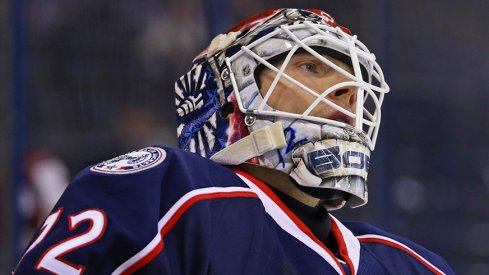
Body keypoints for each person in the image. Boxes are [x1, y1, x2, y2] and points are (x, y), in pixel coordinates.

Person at [14, 8, 454, 274]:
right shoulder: (172, 194)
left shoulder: (417, 266)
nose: (348, 92)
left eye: (356, 81)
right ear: (230, 99)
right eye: (311, 67)